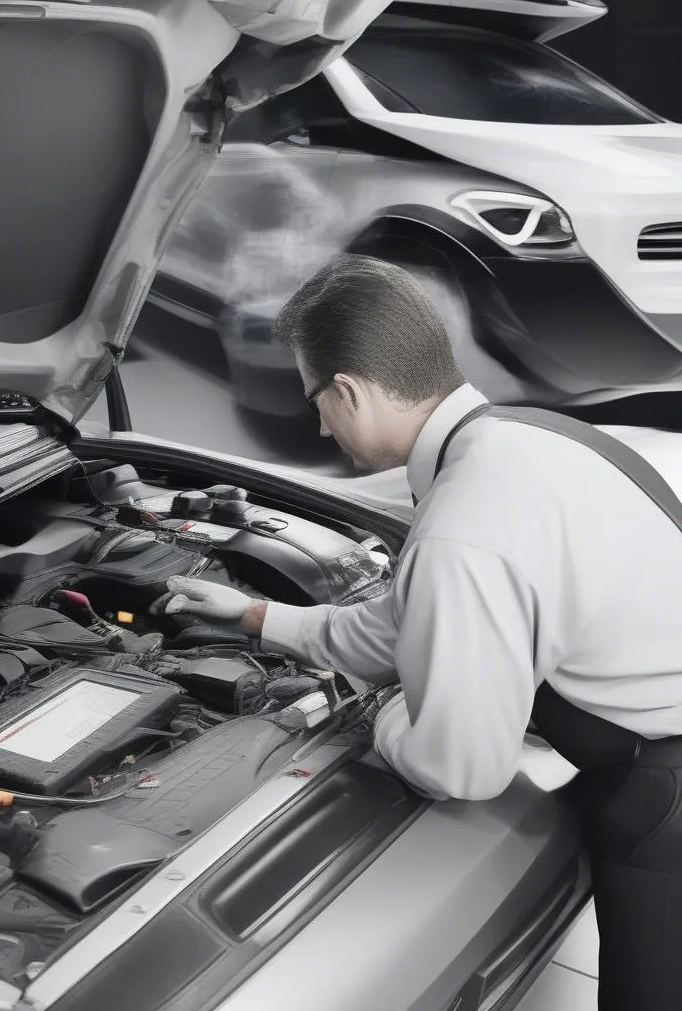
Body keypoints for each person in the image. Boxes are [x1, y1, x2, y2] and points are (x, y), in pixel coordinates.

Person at [154, 255, 682, 1010]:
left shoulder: (467, 519)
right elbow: (398, 625)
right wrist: (252, 616)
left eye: (317, 399)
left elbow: (463, 767)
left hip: (668, 800)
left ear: (349, 390)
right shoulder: (530, 439)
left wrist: (387, 713)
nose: (318, 422)